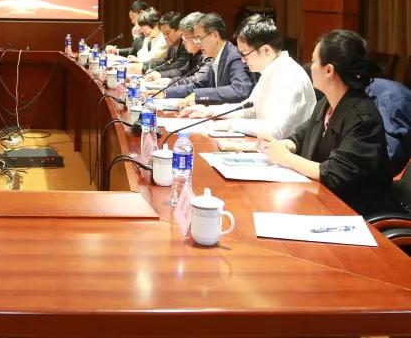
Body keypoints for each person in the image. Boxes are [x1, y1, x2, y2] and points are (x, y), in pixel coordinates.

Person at [262, 30, 400, 215]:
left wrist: (286, 158)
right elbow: (302, 136)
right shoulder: (326, 103)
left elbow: (335, 174)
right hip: (323, 201)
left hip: (356, 213)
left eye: (313, 61)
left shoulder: (363, 118)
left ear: (329, 70)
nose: (309, 66)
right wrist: (281, 145)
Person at [181, 15, 316, 139]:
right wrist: (209, 112)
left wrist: (230, 125)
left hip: (287, 152)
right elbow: (249, 109)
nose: (243, 60)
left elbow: (275, 131)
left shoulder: (289, 77)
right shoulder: (270, 70)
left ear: (266, 50)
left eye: (245, 54)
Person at [162, 12, 254, 104]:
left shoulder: (234, 57)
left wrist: (198, 95)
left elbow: (240, 89)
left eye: (199, 38)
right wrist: (165, 93)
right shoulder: (214, 57)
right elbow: (200, 85)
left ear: (215, 35)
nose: (198, 43)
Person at [145, 11, 204, 82]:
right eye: (163, 33)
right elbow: (182, 71)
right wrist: (159, 74)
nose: (165, 37)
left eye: (167, 33)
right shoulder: (191, 50)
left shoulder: (204, 54)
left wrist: (167, 81)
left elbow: (197, 81)